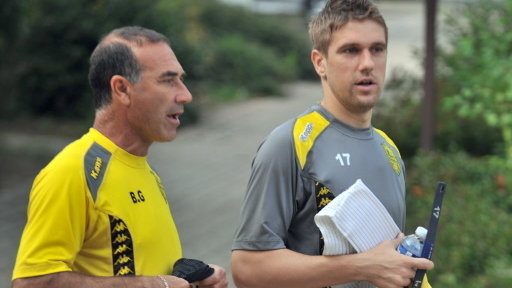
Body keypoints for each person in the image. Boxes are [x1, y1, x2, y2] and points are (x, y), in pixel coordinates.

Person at [231, 0, 434, 287]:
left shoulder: (389, 148)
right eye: (351, 50)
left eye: (377, 49)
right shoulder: (289, 144)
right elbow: (247, 268)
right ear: (320, 62)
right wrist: (362, 267)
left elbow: (388, 263)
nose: (367, 63)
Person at [12, 26, 228, 288]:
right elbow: (32, 282)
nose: (185, 94)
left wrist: (194, 279)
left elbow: (144, 269)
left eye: (181, 80)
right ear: (122, 89)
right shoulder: (72, 171)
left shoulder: (145, 170)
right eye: (168, 80)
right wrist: (154, 284)